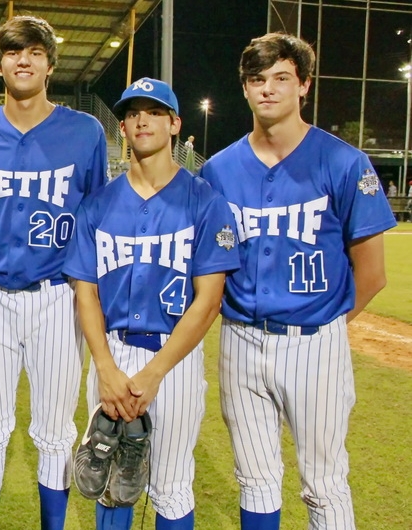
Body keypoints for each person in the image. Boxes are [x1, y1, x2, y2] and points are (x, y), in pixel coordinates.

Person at [199, 33, 396, 529]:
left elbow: (371, 273)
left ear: (304, 85)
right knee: (255, 479)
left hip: (316, 345)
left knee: (324, 484)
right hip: (241, 341)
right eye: (257, 79)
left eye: (281, 78)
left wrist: (323, 326)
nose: (268, 89)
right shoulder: (219, 170)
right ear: (244, 89)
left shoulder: (342, 161)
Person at [0, 15, 109, 530]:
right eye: (14, 52)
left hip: (59, 296)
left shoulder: (85, 131)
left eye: (35, 51)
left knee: (56, 430)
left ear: (49, 65)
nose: (24, 60)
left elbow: (97, 217)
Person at [64, 77, 240, 530]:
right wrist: (104, 367)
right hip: (113, 352)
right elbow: (86, 291)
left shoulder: (205, 202)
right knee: (110, 483)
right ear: (122, 127)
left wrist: (155, 371)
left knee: (172, 485)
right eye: (132, 113)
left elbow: (210, 299)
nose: (142, 120)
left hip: (174, 355)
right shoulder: (98, 205)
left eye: (155, 111)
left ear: (175, 123)